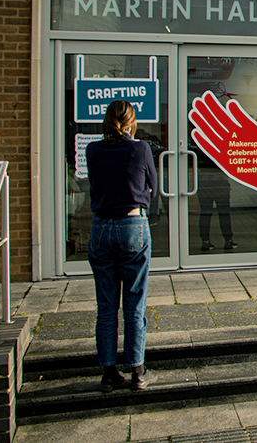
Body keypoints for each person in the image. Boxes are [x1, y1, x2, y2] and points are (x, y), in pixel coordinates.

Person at [85, 100, 158, 392]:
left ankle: (108, 373)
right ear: (131, 123)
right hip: (132, 225)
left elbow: (95, 185)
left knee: (106, 305)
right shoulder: (140, 149)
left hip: (101, 226)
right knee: (134, 301)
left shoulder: (92, 150)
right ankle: (138, 371)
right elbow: (153, 186)